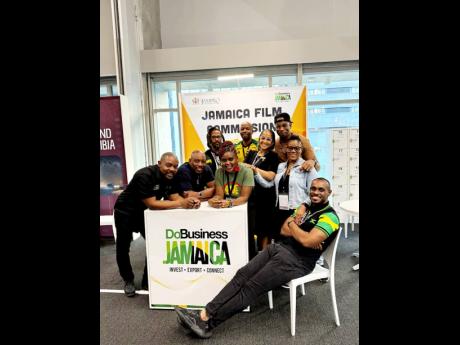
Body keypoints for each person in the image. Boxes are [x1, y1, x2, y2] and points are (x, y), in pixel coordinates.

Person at [175, 178, 340, 339]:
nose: (315, 192)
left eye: (321, 189)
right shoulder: (307, 207)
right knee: (241, 275)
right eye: (313, 188)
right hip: (279, 248)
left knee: (251, 288)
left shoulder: (330, 217)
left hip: (296, 261)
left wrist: (294, 226)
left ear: (329, 193)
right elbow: (283, 230)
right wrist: (300, 228)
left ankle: (207, 324)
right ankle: (205, 313)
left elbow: (306, 240)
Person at [113, 152, 201, 297]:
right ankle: (128, 280)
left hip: (143, 213)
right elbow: (152, 203)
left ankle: (147, 281)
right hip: (125, 211)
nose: (172, 169)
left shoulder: (171, 177)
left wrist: (190, 202)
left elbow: (175, 197)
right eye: (168, 165)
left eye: (175, 166)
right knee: (123, 247)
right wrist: (181, 203)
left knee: (154, 244)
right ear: (159, 163)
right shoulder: (145, 175)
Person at [271, 135, 319, 242]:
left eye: (297, 148)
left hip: (296, 211)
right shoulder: (281, 166)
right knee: (279, 241)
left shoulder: (308, 167)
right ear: (285, 149)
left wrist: (304, 206)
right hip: (280, 209)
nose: (293, 151)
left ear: (301, 150)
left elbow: (314, 193)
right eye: (290, 148)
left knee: (293, 243)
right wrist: (256, 173)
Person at [242, 129, 279, 257]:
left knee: (265, 229)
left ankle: (265, 257)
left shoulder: (274, 156)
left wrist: (254, 169)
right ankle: (252, 256)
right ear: (259, 139)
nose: (265, 141)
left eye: (268, 139)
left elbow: (271, 176)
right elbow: (243, 169)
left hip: (266, 198)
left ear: (273, 142)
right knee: (252, 228)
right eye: (263, 138)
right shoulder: (251, 153)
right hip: (250, 196)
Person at [208, 141, 254, 209]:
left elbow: (244, 197)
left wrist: (230, 203)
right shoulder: (219, 172)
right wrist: (213, 200)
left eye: (231, 159)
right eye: (224, 160)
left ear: (237, 158)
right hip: (228, 209)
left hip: (245, 209)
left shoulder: (247, 171)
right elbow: (219, 195)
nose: (227, 163)